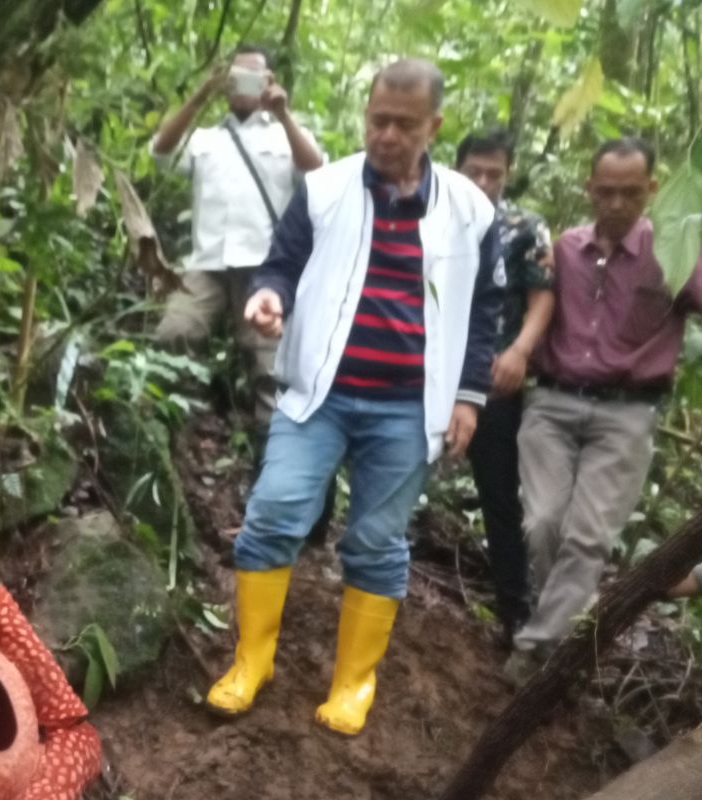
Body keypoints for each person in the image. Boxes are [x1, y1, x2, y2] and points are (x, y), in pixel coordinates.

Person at [205, 58, 504, 736]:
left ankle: (354, 683)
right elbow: (280, 262)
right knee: (274, 512)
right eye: (377, 120)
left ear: (434, 126)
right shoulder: (326, 190)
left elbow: (485, 310)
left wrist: (469, 396)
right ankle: (252, 661)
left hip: (408, 405)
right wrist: (268, 296)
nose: (387, 135)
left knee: (375, 539)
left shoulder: (468, 209)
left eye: (403, 124)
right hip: (320, 392)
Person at [505, 137, 702, 682]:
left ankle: (537, 652)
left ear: (653, 190)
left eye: (631, 193)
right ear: (589, 188)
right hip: (554, 403)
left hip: (626, 413)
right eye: (606, 192)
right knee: (543, 522)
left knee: (587, 536)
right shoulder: (562, 249)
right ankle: (570, 625)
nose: (616, 204)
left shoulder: (675, 252)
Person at [149, 44, 335, 540]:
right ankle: (172, 450)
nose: (243, 86)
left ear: (269, 79)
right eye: (236, 77)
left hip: (263, 272)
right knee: (174, 333)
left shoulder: (282, 135)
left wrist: (284, 112)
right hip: (207, 264)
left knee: (269, 374)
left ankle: (270, 497)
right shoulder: (206, 138)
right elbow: (161, 152)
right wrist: (200, 94)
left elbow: (318, 174)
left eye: (254, 78)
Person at [456, 129, 555, 644]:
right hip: (426, 375)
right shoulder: (435, 215)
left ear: (508, 173)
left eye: (494, 172)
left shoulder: (525, 227)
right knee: (391, 470)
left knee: (499, 495)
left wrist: (520, 351)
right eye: (475, 169)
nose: (484, 180)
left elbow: (542, 297)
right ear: (458, 167)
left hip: (492, 380)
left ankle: (514, 611)